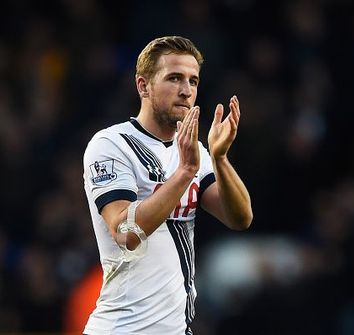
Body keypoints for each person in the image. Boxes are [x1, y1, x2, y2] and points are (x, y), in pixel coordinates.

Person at [82, 36, 253, 334]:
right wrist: (185, 173)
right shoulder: (110, 145)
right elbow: (126, 233)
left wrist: (220, 157)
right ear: (143, 86)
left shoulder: (194, 151)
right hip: (122, 328)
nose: (186, 91)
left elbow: (240, 218)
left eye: (193, 81)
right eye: (174, 78)